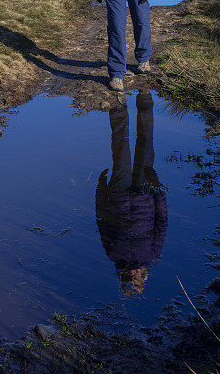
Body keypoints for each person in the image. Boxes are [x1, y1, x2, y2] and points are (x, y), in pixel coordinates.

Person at [95, 90, 168, 295]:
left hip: (118, 192)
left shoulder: (112, 254)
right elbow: (161, 221)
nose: (134, 273)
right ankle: (145, 98)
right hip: (146, 193)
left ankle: (118, 107)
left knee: (120, 148)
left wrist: (100, 191)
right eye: (137, 277)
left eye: (129, 277)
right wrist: (159, 191)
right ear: (144, 275)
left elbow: (102, 221)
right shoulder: (153, 254)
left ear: (122, 276)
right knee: (145, 143)